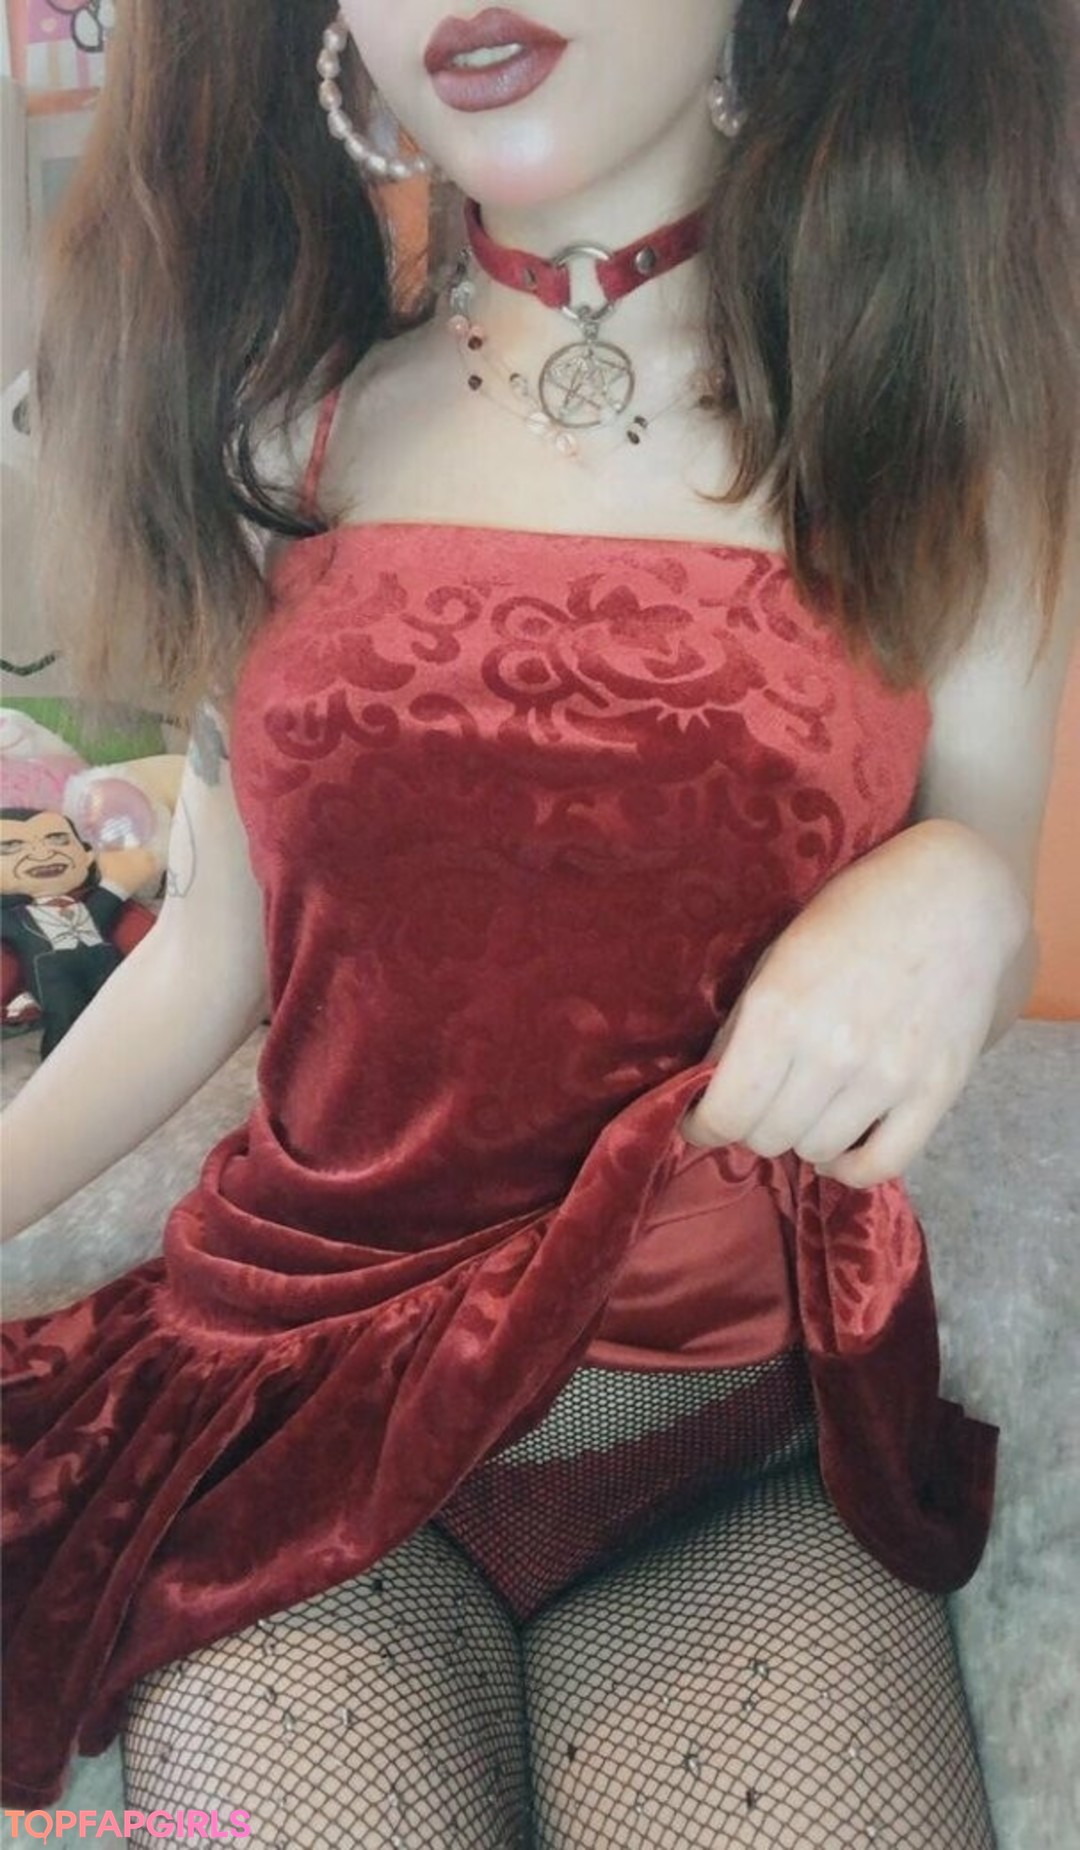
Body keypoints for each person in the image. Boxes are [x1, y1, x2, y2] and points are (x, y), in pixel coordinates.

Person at [2, 0, 1078, 1843]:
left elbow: (980, 859)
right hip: (298, 1429)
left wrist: (965, 883)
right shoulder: (294, 435)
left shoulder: (937, 431)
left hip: (726, 1454)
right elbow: (208, 952)